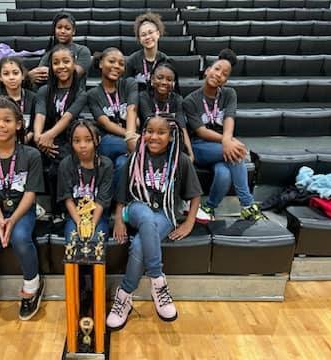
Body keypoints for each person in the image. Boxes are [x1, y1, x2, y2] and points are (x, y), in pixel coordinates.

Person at [106, 114, 202, 331]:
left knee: (139, 244)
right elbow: (121, 194)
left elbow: (195, 195)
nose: (154, 136)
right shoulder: (134, 159)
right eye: (149, 131)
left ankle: (124, 296)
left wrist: (188, 223)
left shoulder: (181, 161)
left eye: (161, 132)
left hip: (165, 214)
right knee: (147, 217)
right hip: (136, 209)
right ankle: (158, 281)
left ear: (171, 136)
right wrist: (120, 220)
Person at [0, 96, 45, 320]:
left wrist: (12, 222)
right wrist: (1, 221)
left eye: (7, 120)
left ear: (19, 125)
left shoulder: (31, 155)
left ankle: (32, 288)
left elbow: (31, 194)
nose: (1, 125)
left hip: (22, 209)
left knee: (21, 238)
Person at [182, 48, 265, 222]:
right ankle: (248, 204)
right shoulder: (190, 100)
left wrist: (227, 139)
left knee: (224, 174)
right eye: (217, 69)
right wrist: (227, 141)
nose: (219, 74)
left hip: (221, 146)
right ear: (207, 70)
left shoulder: (229, 94)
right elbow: (200, 131)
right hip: (200, 146)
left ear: (226, 80)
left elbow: (229, 118)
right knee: (237, 153)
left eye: (224, 74)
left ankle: (209, 207)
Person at [33, 44, 87, 213]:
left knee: (60, 164)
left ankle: (59, 212)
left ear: (74, 63)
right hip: (44, 137)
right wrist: (38, 137)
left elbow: (67, 117)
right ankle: (32, 207)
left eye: (66, 61)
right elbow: (40, 114)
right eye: (56, 63)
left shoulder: (80, 93)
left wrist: (48, 136)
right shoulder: (44, 90)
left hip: (67, 138)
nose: (61, 66)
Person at [87, 47, 139, 190]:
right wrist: (131, 137)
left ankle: (117, 205)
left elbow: (131, 109)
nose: (117, 66)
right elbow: (106, 124)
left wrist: (131, 137)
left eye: (121, 63)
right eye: (111, 61)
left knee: (122, 164)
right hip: (108, 140)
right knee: (144, 147)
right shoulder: (92, 94)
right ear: (101, 63)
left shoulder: (129, 84)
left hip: (130, 139)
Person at [57, 120, 113, 244]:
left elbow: (102, 200)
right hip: (74, 215)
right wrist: (79, 222)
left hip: (98, 215)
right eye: (77, 141)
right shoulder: (66, 164)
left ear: (97, 140)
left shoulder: (106, 165)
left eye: (88, 140)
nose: (82, 145)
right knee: (73, 240)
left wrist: (91, 224)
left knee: (95, 241)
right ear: (71, 143)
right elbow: (67, 198)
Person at [139, 60, 193, 157]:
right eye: (160, 78)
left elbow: (182, 127)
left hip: (172, 143)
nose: (164, 82)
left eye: (169, 79)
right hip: (150, 143)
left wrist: (190, 153)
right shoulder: (143, 97)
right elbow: (149, 122)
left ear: (173, 83)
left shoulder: (177, 99)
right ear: (152, 79)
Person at [28, 12, 91, 88]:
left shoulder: (83, 51)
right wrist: (29, 76)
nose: (62, 31)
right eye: (59, 27)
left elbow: (73, 75)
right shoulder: (49, 53)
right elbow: (39, 75)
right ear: (54, 30)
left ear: (73, 31)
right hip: (53, 95)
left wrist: (50, 72)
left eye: (67, 28)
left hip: (76, 94)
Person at [0, 56, 35, 144]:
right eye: (6, 74)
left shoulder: (33, 97)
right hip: (2, 141)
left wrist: (23, 140)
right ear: (0, 77)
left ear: (23, 75)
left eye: (15, 73)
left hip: (27, 143)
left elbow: (33, 128)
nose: (11, 77)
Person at [125, 12, 168, 91]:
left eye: (151, 32)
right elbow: (126, 89)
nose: (148, 37)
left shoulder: (165, 60)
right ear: (139, 39)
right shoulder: (131, 61)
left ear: (158, 34)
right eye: (143, 35)